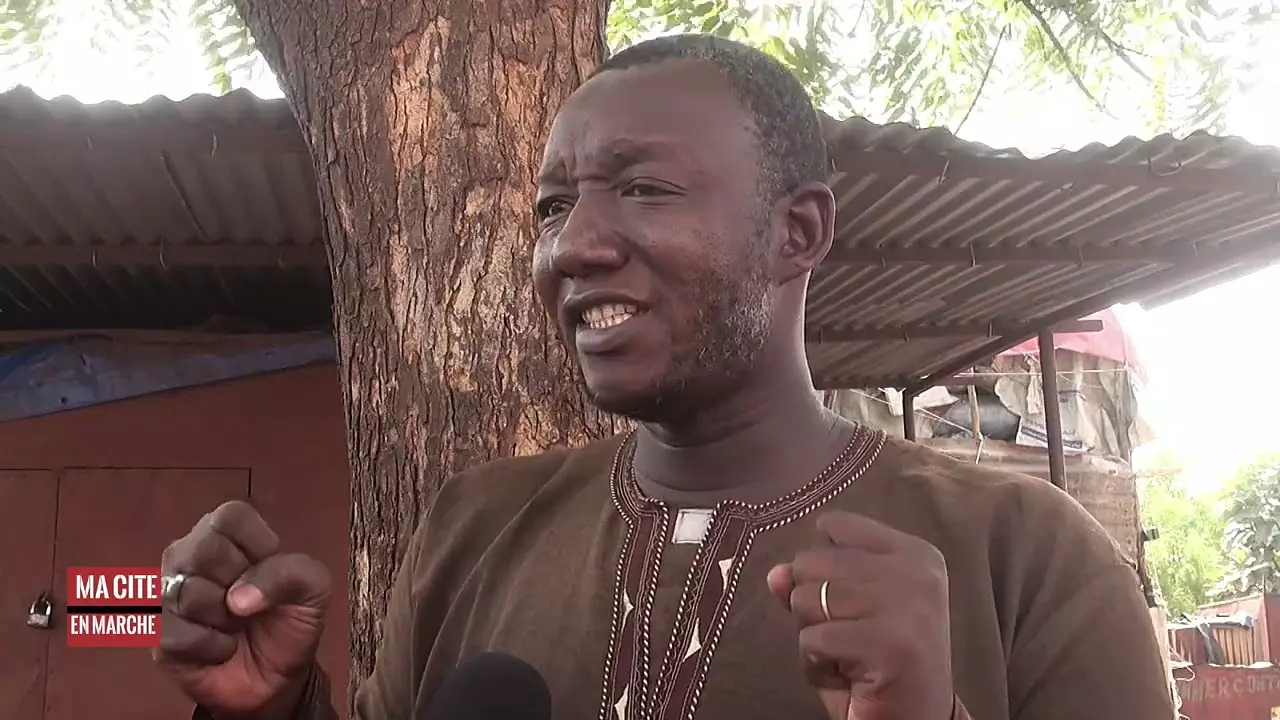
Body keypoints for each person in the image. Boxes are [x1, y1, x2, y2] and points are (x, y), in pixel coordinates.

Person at [155, 34, 1175, 720]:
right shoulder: (470, 530)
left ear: (796, 231)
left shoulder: (1027, 562)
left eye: (641, 188)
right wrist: (273, 710)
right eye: (553, 208)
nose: (573, 247)